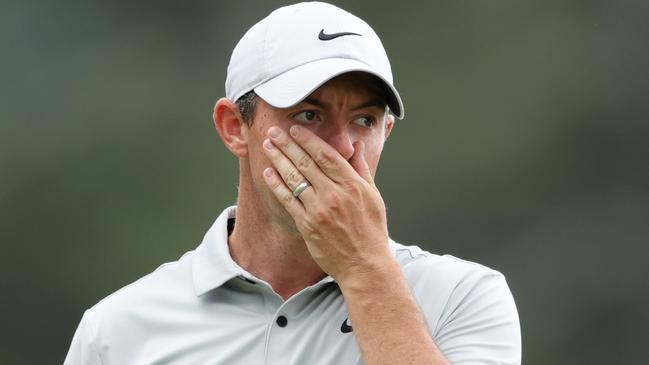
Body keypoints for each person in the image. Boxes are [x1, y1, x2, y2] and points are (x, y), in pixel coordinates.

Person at [64, 2, 521, 364]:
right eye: (308, 114)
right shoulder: (117, 331)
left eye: (364, 119)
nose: (343, 147)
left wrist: (364, 270)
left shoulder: (464, 298)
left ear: (386, 133)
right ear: (234, 127)